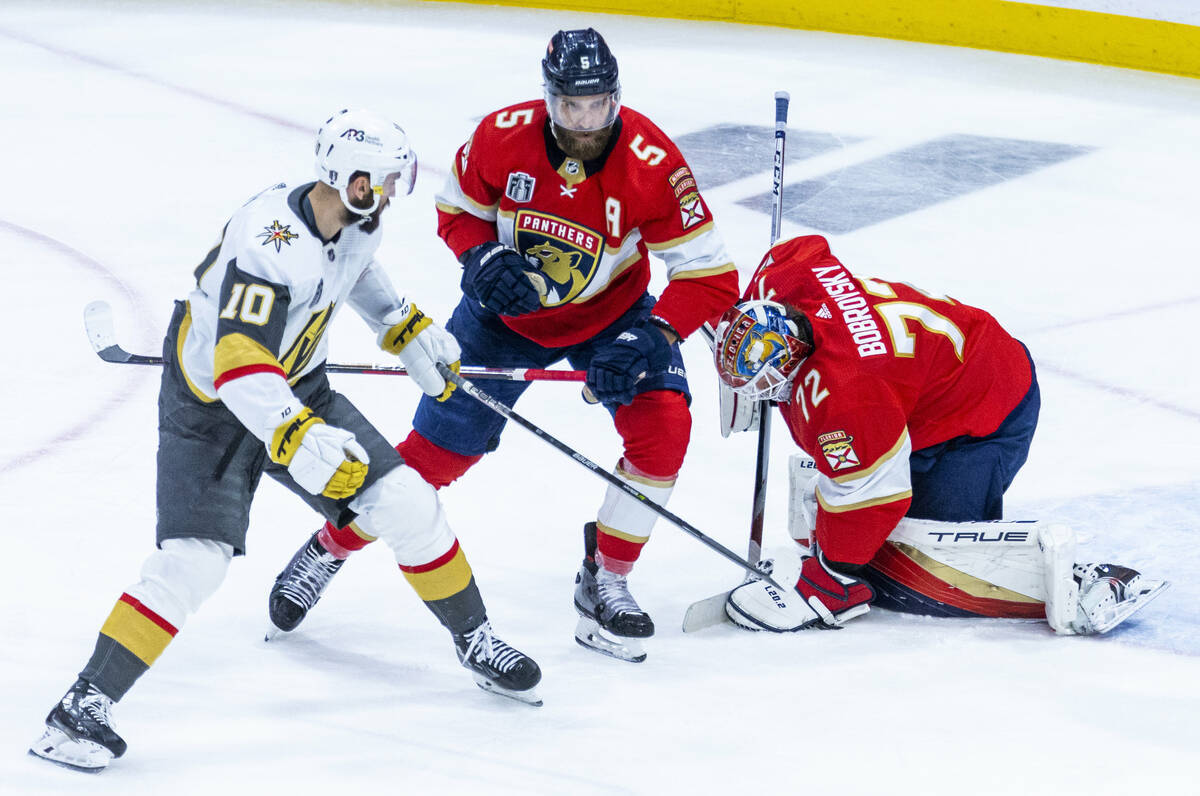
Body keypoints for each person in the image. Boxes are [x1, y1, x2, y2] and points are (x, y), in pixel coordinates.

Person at [29, 109, 543, 773]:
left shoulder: (355, 220)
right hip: (211, 406)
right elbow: (240, 362)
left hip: (297, 387)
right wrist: (295, 434)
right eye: (382, 180)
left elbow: (356, 273)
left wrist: (406, 329)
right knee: (194, 562)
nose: (389, 193)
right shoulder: (268, 243)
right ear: (349, 178)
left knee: (408, 502)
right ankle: (80, 708)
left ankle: (474, 639)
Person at [267, 28, 738, 664]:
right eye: (571, 105)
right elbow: (456, 208)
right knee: (433, 460)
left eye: (598, 104)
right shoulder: (502, 135)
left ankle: (609, 578)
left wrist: (653, 334)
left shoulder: (653, 163)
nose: (584, 120)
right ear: (549, 99)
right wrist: (481, 254)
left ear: (615, 98)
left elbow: (710, 274)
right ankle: (330, 548)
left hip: (613, 319)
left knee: (664, 431)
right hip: (500, 321)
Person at [712, 234, 1167, 634]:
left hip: (987, 411)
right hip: (934, 380)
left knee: (923, 566)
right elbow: (795, 249)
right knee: (873, 516)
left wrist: (830, 578)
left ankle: (1084, 583)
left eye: (770, 387)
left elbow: (873, 496)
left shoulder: (850, 392)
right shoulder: (787, 282)